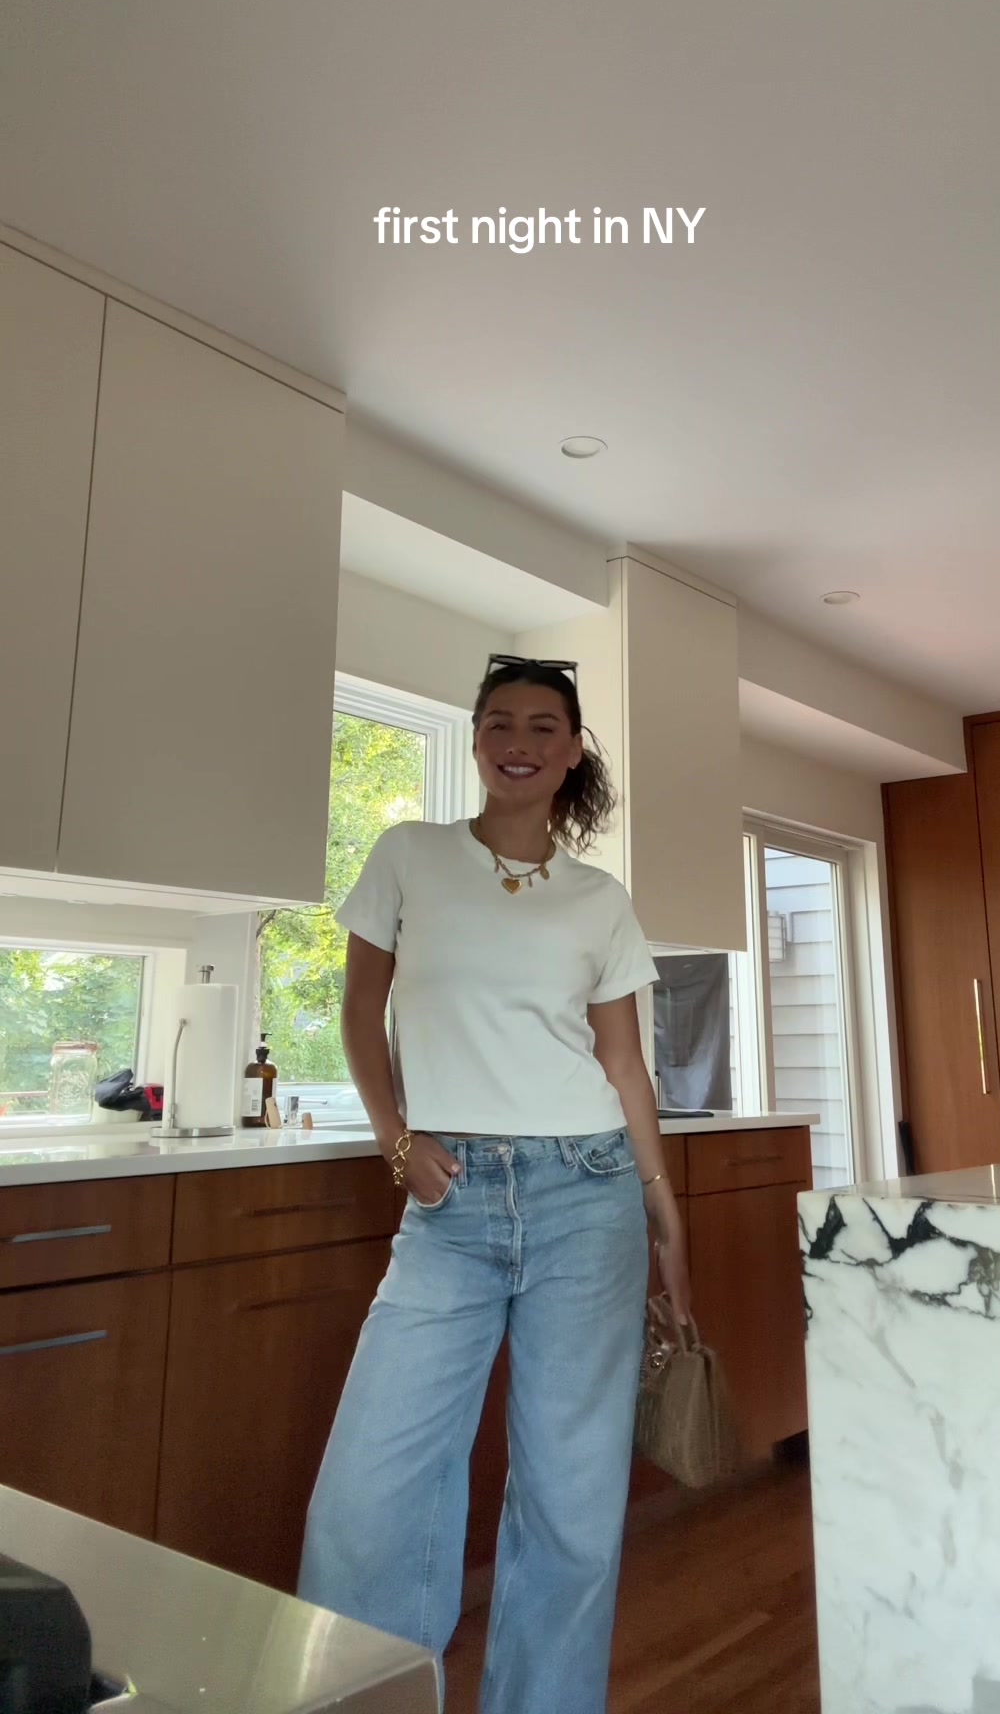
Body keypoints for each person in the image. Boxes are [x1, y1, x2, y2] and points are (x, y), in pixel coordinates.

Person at [298, 654, 691, 1714]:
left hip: (589, 1193)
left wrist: (666, 1212)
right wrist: (395, 1141)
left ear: (571, 752)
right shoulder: (409, 855)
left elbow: (624, 1065)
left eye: (542, 726)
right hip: (448, 1205)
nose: (519, 742)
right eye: (499, 723)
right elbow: (360, 1013)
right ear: (477, 741)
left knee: (572, 1499)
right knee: (369, 1490)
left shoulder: (599, 900)